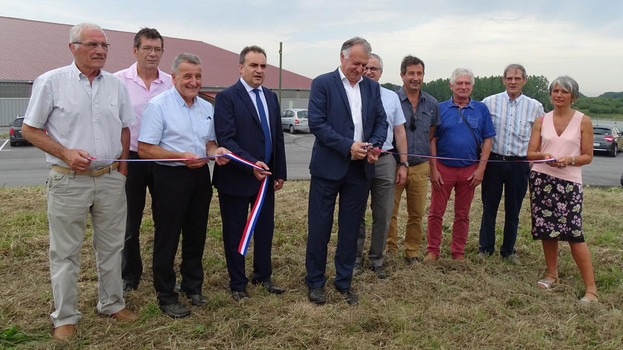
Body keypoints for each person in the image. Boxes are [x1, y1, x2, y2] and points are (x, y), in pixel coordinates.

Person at [21, 22, 138, 341]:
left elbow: (126, 128)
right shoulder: (51, 82)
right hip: (68, 180)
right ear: (73, 47)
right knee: (65, 252)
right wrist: (64, 152)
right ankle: (65, 316)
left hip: (110, 180)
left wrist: (122, 169)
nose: (100, 51)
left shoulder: (115, 85)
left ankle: (112, 303)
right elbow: (30, 130)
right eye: (93, 45)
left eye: (104, 45)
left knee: (112, 247)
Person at [138, 53, 230, 318]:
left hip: (200, 178)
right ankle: (166, 295)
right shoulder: (159, 106)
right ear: (174, 77)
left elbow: (209, 143)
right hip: (170, 178)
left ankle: (193, 287)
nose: (193, 81)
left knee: (196, 234)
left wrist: (216, 150)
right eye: (187, 76)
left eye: (198, 76)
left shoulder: (206, 108)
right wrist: (179, 157)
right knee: (167, 237)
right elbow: (145, 149)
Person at [305, 37, 388, 306]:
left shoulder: (372, 89)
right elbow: (317, 123)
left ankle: (344, 281)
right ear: (342, 57)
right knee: (320, 226)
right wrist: (347, 146)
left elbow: (381, 122)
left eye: (365, 65)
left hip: (359, 170)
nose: (360, 69)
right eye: (356, 63)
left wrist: (374, 146)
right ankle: (315, 282)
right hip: (328, 168)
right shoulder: (322, 84)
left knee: (350, 229)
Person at [214, 45, 287, 301]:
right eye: (254, 65)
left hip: (265, 179)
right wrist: (251, 165)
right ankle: (238, 284)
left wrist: (279, 172)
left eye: (263, 66)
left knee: (265, 228)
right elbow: (227, 139)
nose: (259, 70)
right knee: (235, 232)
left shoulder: (270, 97)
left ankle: (262, 276)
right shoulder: (227, 98)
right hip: (236, 177)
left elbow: (276, 136)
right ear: (241, 67)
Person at [526, 76, 598, 302]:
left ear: (573, 96)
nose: (558, 95)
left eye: (564, 92)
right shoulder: (541, 120)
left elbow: (588, 156)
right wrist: (544, 156)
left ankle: (591, 290)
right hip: (542, 179)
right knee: (547, 230)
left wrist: (570, 160)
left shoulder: (583, 121)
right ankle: (551, 274)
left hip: (569, 183)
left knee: (574, 234)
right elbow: (530, 153)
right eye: (555, 91)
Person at [114, 27, 173, 293]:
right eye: (147, 48)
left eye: (157, 49)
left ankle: (164, 272)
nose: (152, 53)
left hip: (163, 158)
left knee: (166, 219)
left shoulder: (171, 83)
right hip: (132, 158)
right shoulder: (118, 81)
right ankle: (130, 275)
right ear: (135, 50)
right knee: (130, 222)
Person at [426, 68, 495, 262]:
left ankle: (458, 252)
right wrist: (434, 169)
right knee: (435, 212)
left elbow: (488, 139)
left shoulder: (481, 109)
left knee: (462, 214)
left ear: (472, 86)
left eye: (467, 83)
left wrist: (481, 169)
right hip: (443, 168)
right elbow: (432, 139)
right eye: (459, 83)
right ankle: (432, 250)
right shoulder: (440, 108)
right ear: (451, 86)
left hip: (469, 169)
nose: (463, 87)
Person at [478, 64, 544, 264]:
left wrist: (532, 161)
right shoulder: (489, 103)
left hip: (519, 164)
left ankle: (508, 250)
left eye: (517, 78)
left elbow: (540, 135)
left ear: (525, 80)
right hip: (494, 162)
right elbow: (480, 132)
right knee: (489, 207)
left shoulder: (535, 106)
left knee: (513, 210)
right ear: (503, 80)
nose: (513, 82)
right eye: (509, 78)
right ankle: (485, 248)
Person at [354, 53, 408, 279]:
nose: (368, 71)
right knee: (355, 210)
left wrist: (403, 162)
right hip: (357, 159)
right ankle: (354, 258)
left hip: (385, 159)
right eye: (365, 67)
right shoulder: (352, 93)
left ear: (381, 73)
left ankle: (377, 258)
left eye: (373, 68)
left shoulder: (391, 97)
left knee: (384, 212)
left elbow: (399, 131)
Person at [387, 55, 440, 264]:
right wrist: (402, 159)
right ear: (402, 75)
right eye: (411, 73)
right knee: (389, 211)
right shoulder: (392, 101)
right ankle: (389, 249)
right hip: (395, 165)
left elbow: (431, 133)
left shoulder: (432, 103)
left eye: (419, 73)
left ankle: (412, 251)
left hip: (420, 167)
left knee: (416, 213)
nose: (415, 78)